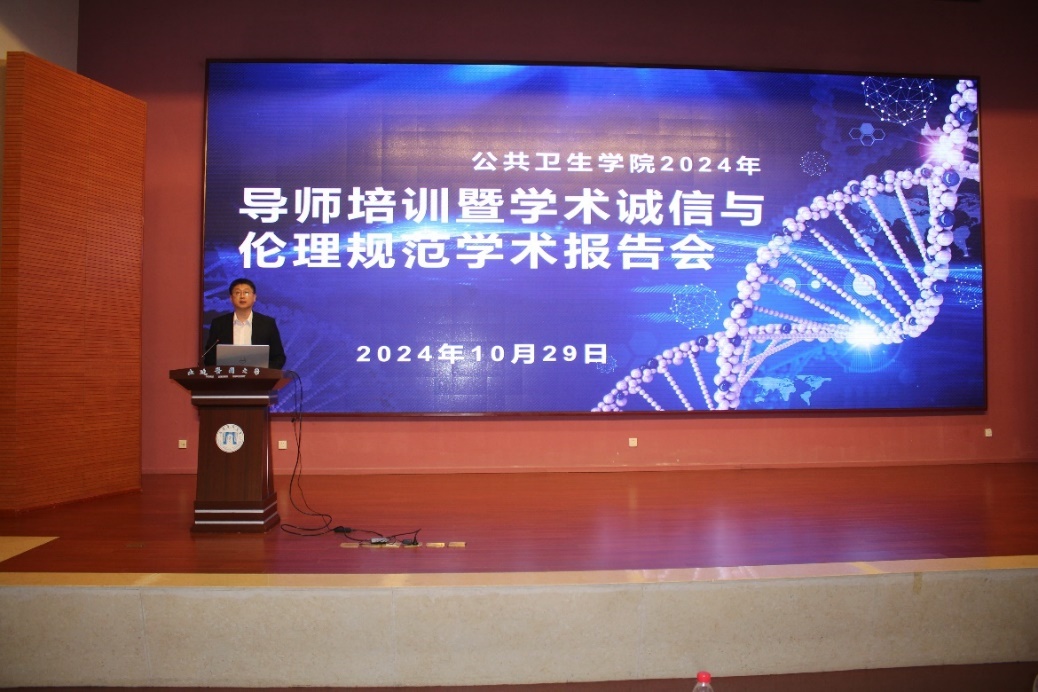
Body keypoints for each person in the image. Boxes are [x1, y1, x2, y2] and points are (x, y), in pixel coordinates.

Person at [202, 278, 287, 369]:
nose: (242, 296)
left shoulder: (267, 324)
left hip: (259, 376)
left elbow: (279, 357)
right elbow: (209, 357)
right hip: (228, 376)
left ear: (254, 297)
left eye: (246, 292)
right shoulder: (219, 324)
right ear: (231, 298)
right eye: (237, 293)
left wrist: (263, 370)